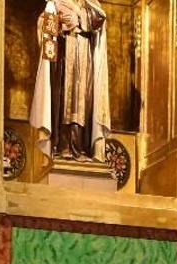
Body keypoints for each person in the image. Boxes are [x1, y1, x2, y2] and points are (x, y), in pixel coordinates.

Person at [29, 0, 112, 161]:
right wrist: (55, 21)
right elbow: (45, 27)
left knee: (83, 103)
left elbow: (98, 18)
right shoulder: (56, 3)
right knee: (64, 102)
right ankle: (62, 146)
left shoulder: (89, 4)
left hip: (85, 55)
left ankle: (81, 147)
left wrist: (76, 16)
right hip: (64, 56)